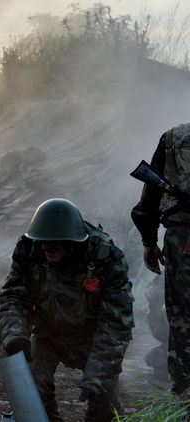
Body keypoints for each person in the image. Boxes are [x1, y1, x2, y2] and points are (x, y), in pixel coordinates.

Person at [0, 198, 134, 421]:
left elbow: (117, 322)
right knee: (29, 390)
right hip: (48, 334)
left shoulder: (105, 257)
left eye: (55, 244)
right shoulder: (28, 250)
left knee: (103, 403)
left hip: (93, 338)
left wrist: (98, 376)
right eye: (43, 243)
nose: (47, 249)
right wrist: (15, 336)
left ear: (72, 243)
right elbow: (13, 296)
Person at [132, 123, 190, 395]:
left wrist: (149, 241)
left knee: (182, 319)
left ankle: (184, 394)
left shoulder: (172, 138)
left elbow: (150, 199)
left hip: (182, 238)